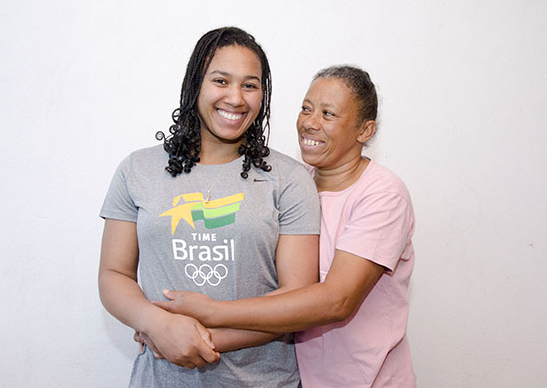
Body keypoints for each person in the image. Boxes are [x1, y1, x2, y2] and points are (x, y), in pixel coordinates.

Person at [155, 65, 417, 387]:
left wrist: (211, 315)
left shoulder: (382, 195)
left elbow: (336, 301)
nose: (310, 122)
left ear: (364, 131)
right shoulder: (293, 187)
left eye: (328, 114)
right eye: (306, 108)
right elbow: (272, 293)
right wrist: (168, 332)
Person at [98, 27, 320, 387]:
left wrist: (189, 340)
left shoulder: (290, 179)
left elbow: (297, 302)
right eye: (221, 80)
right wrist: (156, 324)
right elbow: (113, 274)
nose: (235, 98)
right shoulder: (137, 169)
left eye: (250, 85)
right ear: (195, 85)